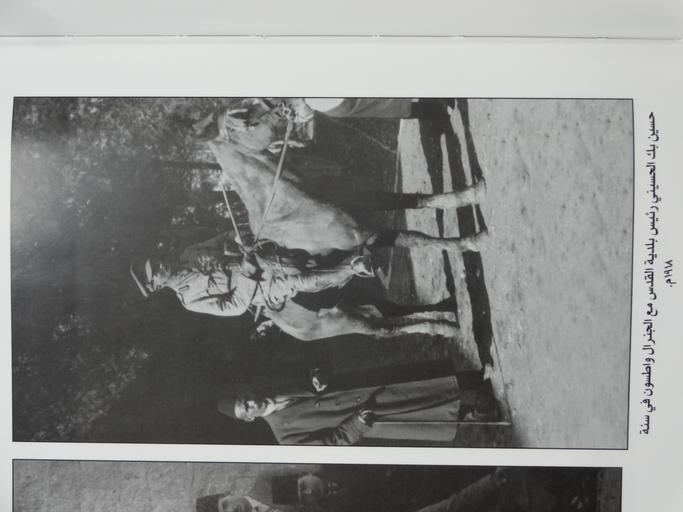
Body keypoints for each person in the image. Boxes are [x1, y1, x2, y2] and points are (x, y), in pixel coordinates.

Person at [217, 364, 500, 446]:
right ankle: (476, 413)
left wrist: (316, 375)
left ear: (246, 391)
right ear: (249, 419)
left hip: (363, 385)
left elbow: (313, 370)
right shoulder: (284, 435)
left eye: (245, 398)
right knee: (417, 411)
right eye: (247, 409)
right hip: (366, 414)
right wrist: (356, 425)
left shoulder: (277, 382)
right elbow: (331, 443)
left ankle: (480, 377)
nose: (251, 403)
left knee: (420, 383)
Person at [130, 232, 373, 317]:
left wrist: (238, 239)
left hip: (252, 255)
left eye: (156, 262)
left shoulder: (187, 253)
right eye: (156, 271)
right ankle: (356, 267)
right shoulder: (190, 300)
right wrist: (247, 274)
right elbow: (234, 307)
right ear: (157, 286)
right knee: (300, 281)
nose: (160, 265)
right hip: (260, 286)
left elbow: (223, 238)